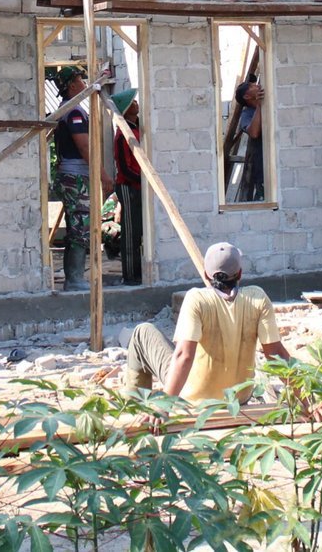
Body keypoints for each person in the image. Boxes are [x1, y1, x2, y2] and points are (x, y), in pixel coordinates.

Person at [124, 242, 295, 402]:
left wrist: (165, 407)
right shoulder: (257, 298)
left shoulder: (196, 299)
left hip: (195, 397)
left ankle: (133, 408)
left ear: (206, 274)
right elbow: (275, 353)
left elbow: (184, 355)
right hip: (239, 398)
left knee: (142, 333)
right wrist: (307, 401)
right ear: (240, 274)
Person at [49, 65, 111, 291]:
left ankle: (74, 278)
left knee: (79, 225)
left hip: (72, 176)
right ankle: (74, 280)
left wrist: (101, 79)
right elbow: (85, 148)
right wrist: (103, 175)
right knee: (80, 227)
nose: (84, 83)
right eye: (80, 79)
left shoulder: (67, 108)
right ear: (73, 85)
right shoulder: (73, 112)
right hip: (75, 178)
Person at [111, 88, 145, 285]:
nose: (136, 104)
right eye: (132, 103)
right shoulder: (123, 134)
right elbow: (124, 168)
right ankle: (130, 274)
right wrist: (143, 180)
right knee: (131, 232)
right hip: (129, 186)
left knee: (139, 230)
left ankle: (137, 271)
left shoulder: (136, 128)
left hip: (138, 186)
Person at [230, 80, 265, 201]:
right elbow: (254, 133)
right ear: (247, 96)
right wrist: (259, 106)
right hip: (264, 170)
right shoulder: (247, 114)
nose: (258, 85)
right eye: (252, 86)